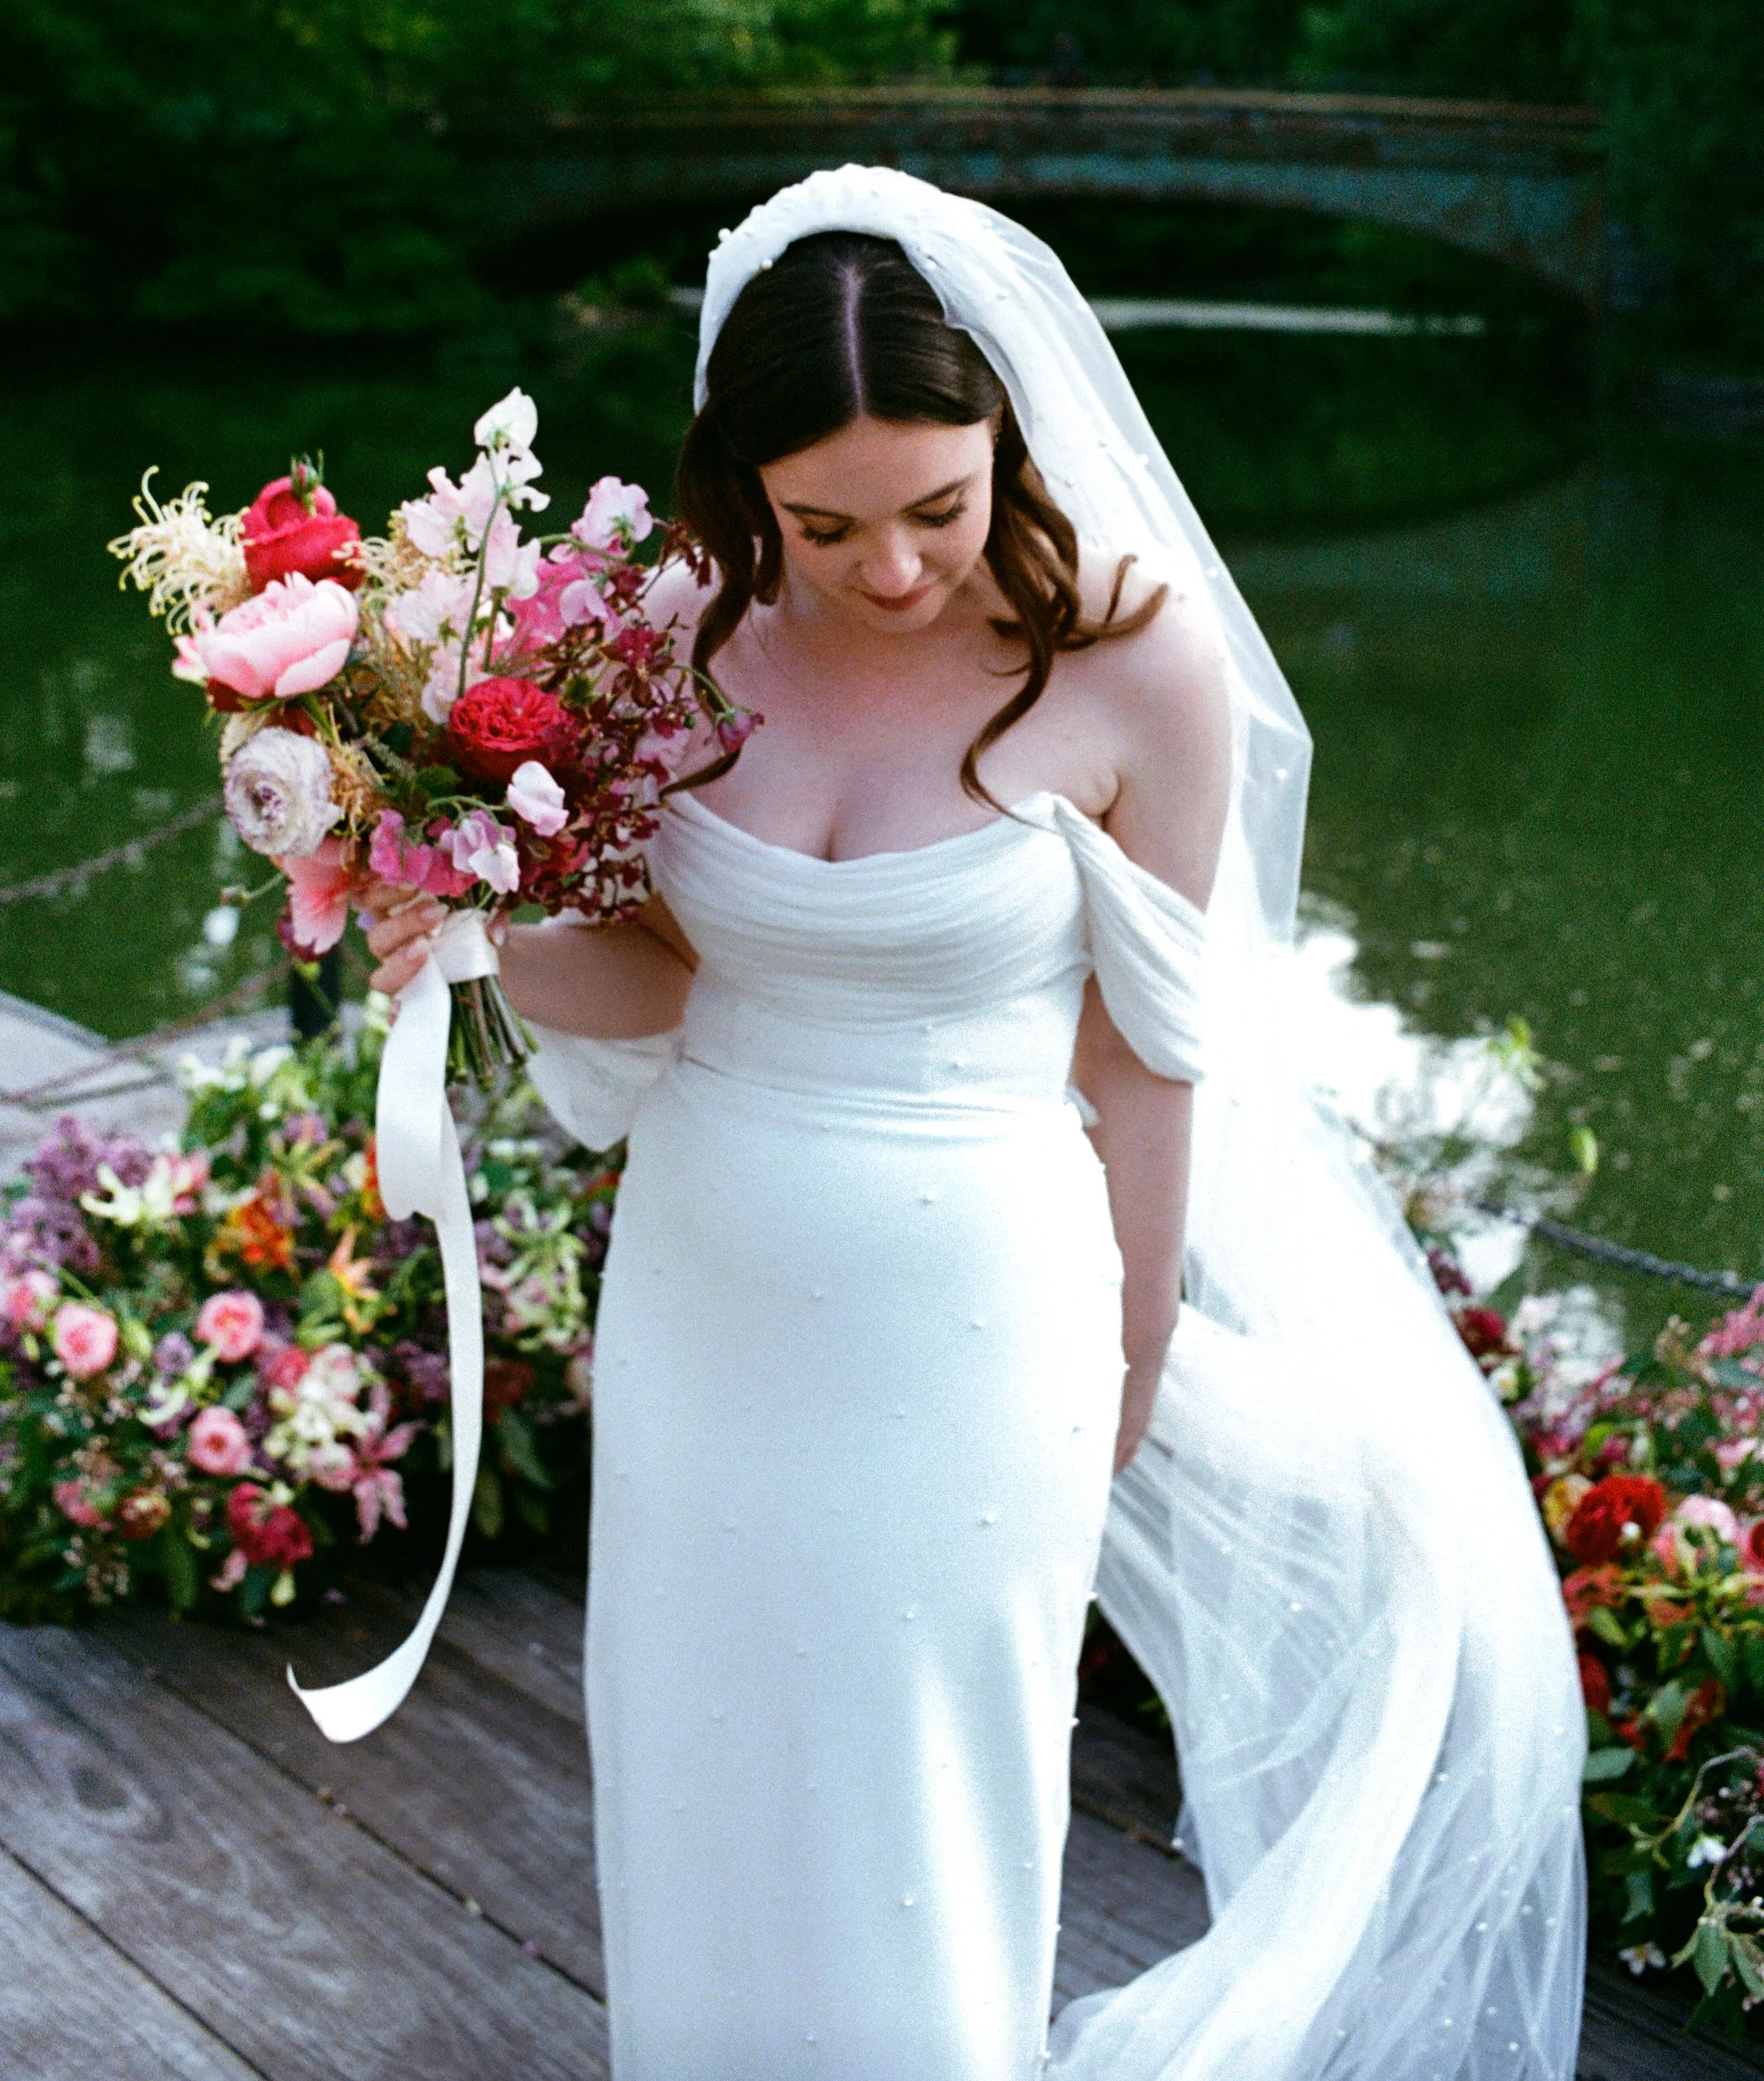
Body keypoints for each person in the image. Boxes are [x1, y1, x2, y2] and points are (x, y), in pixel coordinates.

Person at [363, 168, 1587, 2081]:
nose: (894, 566)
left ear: (1007, 434)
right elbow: (655, 978)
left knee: (928, 1798)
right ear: (739, 488)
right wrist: (461, 919)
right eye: (824, 523)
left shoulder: (1139, 670)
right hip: (703, 1294)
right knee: (700, 1761)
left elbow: (1144, 1062)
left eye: (937, 505)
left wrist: (1133, 1348)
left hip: (977, 1325)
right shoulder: (668, 633)